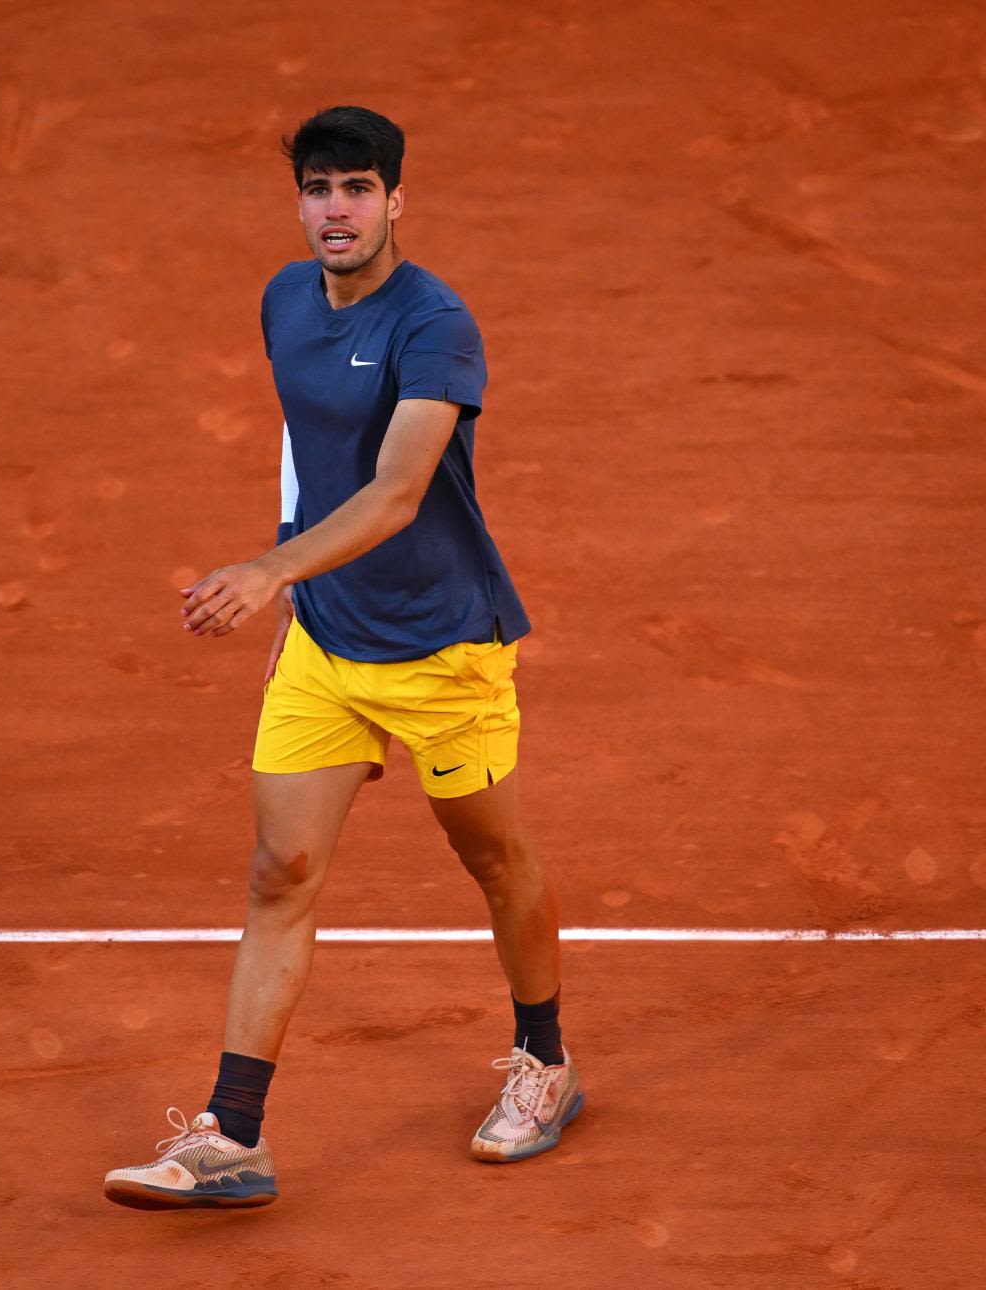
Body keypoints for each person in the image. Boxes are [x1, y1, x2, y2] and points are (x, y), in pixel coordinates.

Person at [103, 106, 580, 1211]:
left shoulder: (435, 327)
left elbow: (399, 490)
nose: (336, 209)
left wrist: (272, 569)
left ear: (396, 200)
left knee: (494, 860)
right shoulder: (284, 297)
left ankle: (546, 1063)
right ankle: (234, 1136)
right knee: (283, 873)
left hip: (444, 650)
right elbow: (302, 448)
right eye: (318, 188)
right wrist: (293, 582)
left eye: (358, 189)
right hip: (323, 641)